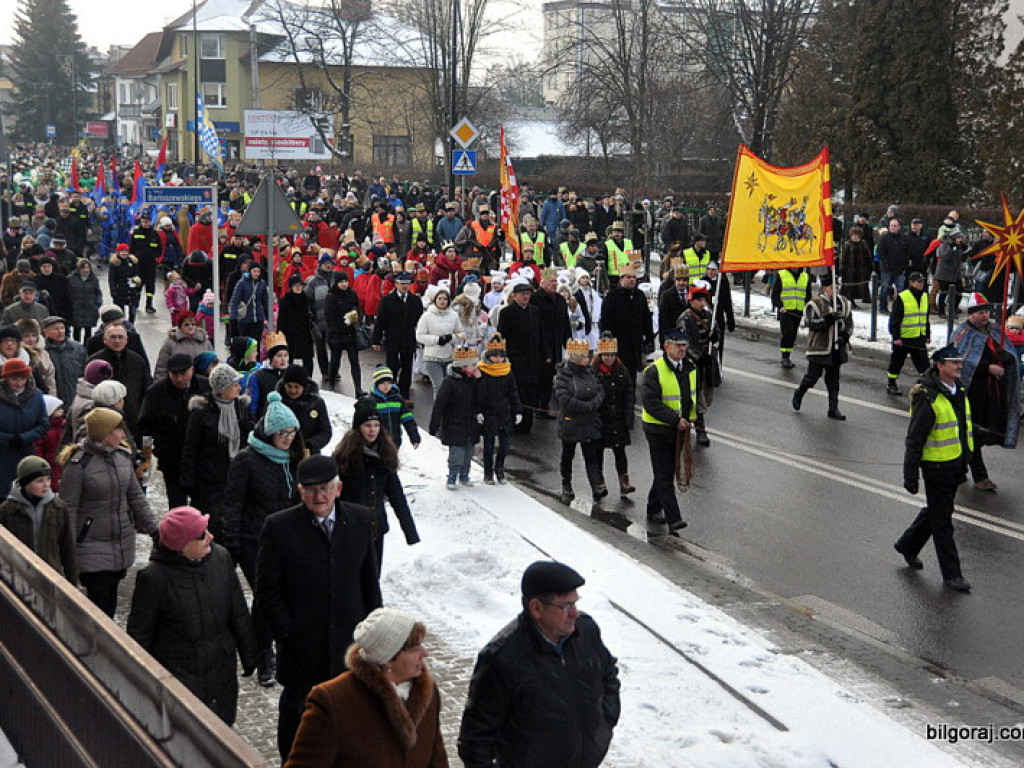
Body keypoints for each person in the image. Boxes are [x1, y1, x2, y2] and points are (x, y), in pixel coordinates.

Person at [256, 454, 382, 762]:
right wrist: (288, 632)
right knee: (300, 732)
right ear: (300, 492)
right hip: (303, 653)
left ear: (338, 488)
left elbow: (370, 584)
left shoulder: (361, 520)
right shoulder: (279, 527)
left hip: (349, 650)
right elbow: (267, 590)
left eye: (325, 488)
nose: (319, 496)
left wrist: (373, 638)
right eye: (311, 490)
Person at [458, 560, 620, 768]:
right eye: (566, 606)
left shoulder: (585, 631)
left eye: (575, 603)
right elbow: (475, 742)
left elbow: (608, 673)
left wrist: (605, 722)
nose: (574, 613)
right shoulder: (503, 658)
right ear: (536, 608)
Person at [127, 506, 259, 725]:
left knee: (223, 728)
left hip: (221, 669)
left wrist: (249, 654)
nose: (210, 537)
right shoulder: (154, 579)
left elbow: (237, 610)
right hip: (182, 675)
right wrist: (142, 682)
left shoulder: (221, 558)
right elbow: (140, 636)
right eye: (201, 535)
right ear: (181, 545)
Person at [285, 607, 448, 767]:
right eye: (414, 649)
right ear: (388, 658)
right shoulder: (332, 701)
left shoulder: (427, 692)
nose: (425, 653)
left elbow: (437, 761)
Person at [223, 391, 305, 687]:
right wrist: (232, 544)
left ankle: (277, 648)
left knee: (279, 595)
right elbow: (233, 503)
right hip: (252, 539)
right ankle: (263, 656)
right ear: (270, 433)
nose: (288, 438)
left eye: (292, 432)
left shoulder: (294, 459)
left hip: (285, 540)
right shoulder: (246, 460)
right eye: (283, 433)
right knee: (264, 596)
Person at [59, 408, 158, 616]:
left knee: (110, 601)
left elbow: (136, 497)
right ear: (104, 433)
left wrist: (155, 530)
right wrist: (68, 550)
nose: (122, 435)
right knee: (100, 603)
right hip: (90, 546)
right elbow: (68, 509)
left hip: (120, 542)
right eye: (117, 430)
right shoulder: (79, 464)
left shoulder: (122, 457)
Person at [894, 345, 974, 593]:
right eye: (954, 362)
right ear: (940, 365)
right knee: (943, 522)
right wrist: (910, 475)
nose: (959, 366)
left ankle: (908, 545)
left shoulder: (958, 389)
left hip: (955, 463)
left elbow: (961, 426)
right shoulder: (927, 396)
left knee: (938, 511)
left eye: (960, 361)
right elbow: (915, 438)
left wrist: (967, 457)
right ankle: (952, 575)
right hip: (936, 467)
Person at [333, 398, 419, 569]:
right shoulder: (344, 457)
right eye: (367, 425)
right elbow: (333, 495)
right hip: (351, 529)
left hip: (376, 528)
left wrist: (410, 532)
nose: (372, 430)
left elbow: (396, 495)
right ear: (358, 428)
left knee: (373, 575)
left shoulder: (385, 454)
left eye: (376, 425)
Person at [950, 293, 1020, 492]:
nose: (984, 316)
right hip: (972, 393)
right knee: (972, 433)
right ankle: (980, 476)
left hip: (993, 394)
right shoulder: (962, 333)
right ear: (971, 314)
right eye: (980, 313)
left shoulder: (995, 330)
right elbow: (959, 361)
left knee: (982, 433)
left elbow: (1011, 357)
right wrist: (987, 367)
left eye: (986, 312)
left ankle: (960, 467)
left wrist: (1006, 357)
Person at [180, 364, 255, 542]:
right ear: (222, 388)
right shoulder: (202, 412)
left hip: (237, 478)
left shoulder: (242, 408)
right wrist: (189, 482)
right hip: (209, 482)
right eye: (234, 384)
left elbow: (252, 439)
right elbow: (190, 448)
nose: (239, 387)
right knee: (212, 527)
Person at [640, 328, 695, 533]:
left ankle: (653, 507)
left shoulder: (689, 368)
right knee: (664, 475)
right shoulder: (654, 371)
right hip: (657, 429)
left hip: (679, 430)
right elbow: (651, 404)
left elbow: (690, 396)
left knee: (665, 471)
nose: (682, 349)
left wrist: (692, 416)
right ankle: (674, 519)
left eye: (684, 345)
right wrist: (675, 420)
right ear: (666, 346)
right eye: (677, 345)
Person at [138, 353, 210, 508]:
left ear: (192, 370)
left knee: (203, 506)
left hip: (202, 460)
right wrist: (159, 449)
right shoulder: (156, 393)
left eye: (183, 374)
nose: (179, 378)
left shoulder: (205, 387)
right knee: (177, 506)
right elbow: (145, 426)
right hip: (172, 461)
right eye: (174, 374)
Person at [0, 456, 77, 584]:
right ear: (25, 483)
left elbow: (67, 548)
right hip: (19, 578)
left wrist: (72, 582)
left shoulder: (58, 508)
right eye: (39, 481)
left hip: (51, 578)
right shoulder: (7, 510)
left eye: (48, 479)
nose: (46, 485)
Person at [791, 274, 853, 421]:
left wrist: (844, 336)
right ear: (824, 288)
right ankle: (799, 393)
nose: (835, 290)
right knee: (812, 377)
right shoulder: (815, 303)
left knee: (833, 381)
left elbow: (849, 323)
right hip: (819, 347)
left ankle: (833, 408)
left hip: (837, 347)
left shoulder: (844, 303)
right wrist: (829, 319)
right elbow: (811, 324)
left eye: (837, 287)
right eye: (832, 287)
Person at [554, 339, 606, 503]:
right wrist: (586, 406)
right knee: (568, 455)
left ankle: (596, 486)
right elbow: (564, 399)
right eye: (584, 356)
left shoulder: (590, 372)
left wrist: (594, 403)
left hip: (589, 421)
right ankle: (566, 484)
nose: (588, 359)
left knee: (591, 456)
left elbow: (600, 390)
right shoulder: (563, 376)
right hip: (571, 422)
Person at [428, 346, 481, 490]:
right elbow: (439, 405)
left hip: (470, 424)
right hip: (454, 424)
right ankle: (452, 476)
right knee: (457, 454)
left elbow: (481, 398)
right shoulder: (449, 382)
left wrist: (480, 382)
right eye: (473, 365)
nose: (476, 368)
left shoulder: (474, 381)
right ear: (463, 367)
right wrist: (434, 425)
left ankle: (464, 475)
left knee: (468, 454)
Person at [88, 322, 152, 439]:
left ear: (126, 340)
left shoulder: (137, 360)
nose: (117, 341)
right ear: (105, 340)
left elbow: (146, 389)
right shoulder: (95, 362)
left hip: (133, 420)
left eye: (120, 337)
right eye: (113, 337)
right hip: (106, 421)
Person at [496, 281, 543, 433]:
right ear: (515, 296)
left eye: (528, 294)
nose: (526, 297)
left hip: (533, 359)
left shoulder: (535, 311)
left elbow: (542, 334)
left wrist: (546, 354)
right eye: (523, 294)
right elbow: (501, 335)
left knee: (532, 392)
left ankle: (527, 423)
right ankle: (515, 422)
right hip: (516, 359)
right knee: (518, 391)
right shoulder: (507, 312)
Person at [593, 333, 636, 497]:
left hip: (618, 418)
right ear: (600, 355)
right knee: (598, 452)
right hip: (600, 419)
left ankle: (624, 482)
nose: (609, 358)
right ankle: (599, 481)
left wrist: (629, 417)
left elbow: (629, 394)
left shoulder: (622, 371)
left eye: (612, 355)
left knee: (620, 451)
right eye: (606, 355)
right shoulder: (594, 372)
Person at [0, 357, 49, 494]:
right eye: (14, 379)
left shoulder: (36, 395)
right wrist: (7, 439)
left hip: (26, 453)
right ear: (6, 379)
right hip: (2, 453)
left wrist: (24, 438)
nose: (19, 383)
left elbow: (43, 425)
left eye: (22, 378)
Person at [477, 335, 521, 485]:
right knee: (488, 447)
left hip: (504, 413)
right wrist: (478, 411)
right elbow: (478, 394)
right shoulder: (482, 371)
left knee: (505, 446)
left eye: (501, 356)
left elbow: (513, 392)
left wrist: (518, 410)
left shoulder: (507, 371)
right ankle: (488, 473)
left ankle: (500, 468)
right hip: (489, 413)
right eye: (495, 356)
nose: (498, 359)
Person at [599, 267, 653, 382]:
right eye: (629, 277)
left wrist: (649, 338)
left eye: (634, 277)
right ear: (621, 279)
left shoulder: (639, 296)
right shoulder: (612, 296)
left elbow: (646, 319)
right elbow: (605, 321)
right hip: (619, 343)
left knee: (632, 374)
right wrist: (607, 341)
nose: (632, 280)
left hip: (635, 343)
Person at [886, 272, 931, 395]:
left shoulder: (925, 297)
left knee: (924, 364)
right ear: (911, 282)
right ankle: (891, 383)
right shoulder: (902, 297)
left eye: (922, 281)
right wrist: (896, 337)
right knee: (897, 362)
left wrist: (927, 334)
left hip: (918, 336)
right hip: (903, 337)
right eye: (918, 282)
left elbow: (925, 318)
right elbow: (895, 319)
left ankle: (925, 384)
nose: (921, 284)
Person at [323, 270, 365, 396]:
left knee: (354, 361)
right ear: (336, 283)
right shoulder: (331, 296)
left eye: (345, 281)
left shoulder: (352, 293)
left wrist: (355, 315)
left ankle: (358, 388)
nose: (344, 284)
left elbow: (358, 309)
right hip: (336, 334)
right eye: (341, 282)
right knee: (335, 361)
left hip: (351, 333)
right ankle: (332, 385)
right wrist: (341, 322)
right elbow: (329, 317)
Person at [416, 285, 462, 396]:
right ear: (435, 300)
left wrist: (450, 338)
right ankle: (438, 407)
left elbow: (460, 334)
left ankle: (447, 407)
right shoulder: (427, 316)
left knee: (448, 388)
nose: (442, 301)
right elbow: (420, 336)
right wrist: (438, 339)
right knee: (439, 387)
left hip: (449, 357)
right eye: (439, 298)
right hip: (432, 357)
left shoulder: (454, 315)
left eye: (445, 299)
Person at [277, 364, 332, 455]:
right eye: (289, 386)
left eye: (297, 387)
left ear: (304, 387)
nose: (293, 391)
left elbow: (325, 431)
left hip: (308, 453)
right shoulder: (277, 402)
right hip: (281, 453)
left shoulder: (316, 403)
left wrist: (310, 444)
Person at [367, 365, 421, 449]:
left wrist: (414, 437)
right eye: (382, 383)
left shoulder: (397, 399)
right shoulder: (371, 401)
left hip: (395, 441)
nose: (386, 386)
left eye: (389, 383)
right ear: (377, 384)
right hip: (377, 442)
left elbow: (407, 419)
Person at [42, 315, 87, 409]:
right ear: (45, 332)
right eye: (56, 329)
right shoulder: (43, 351)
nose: (60, 331)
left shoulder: (77, 348)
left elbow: (85, 371)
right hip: (53, 399)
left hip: (75, 397)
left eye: (62, 328)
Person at [771, 267, 811, 369]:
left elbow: (808, 295)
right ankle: (784, 357)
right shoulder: (782, 274)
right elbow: (775, 294)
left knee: (793, 334)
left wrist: (807, 308)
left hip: (798, 311)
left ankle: (788, 356)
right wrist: (780, 306)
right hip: (785, 311)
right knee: (787, 333)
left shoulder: (805, 276)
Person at [153, 311, 213, 380]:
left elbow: (212, 364)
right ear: (180, 326)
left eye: (193, 324)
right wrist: (160, 383)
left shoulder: (205, 342)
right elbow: (162, 367)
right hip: (177, 381)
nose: (190, 327)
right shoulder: (170, 342)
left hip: (200, 382)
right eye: (186, 325)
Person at [278, 274, 316, 376]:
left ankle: (308, 380)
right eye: (296, 285)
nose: (298, 287)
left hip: (305, 334)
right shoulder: (285, 301)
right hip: (290, 334)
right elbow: (281, 320)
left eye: (300, 285)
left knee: (308, 359)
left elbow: (313, 313)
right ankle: (287, 378)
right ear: (291, 287)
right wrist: (281, 335)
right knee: (287, 358)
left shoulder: (307, 299)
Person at [249, 331, 290, 419]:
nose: (283, 359)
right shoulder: (258, 376)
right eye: (279, 356)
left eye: (286, 355)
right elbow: (253, 403)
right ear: (271, 358)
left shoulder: (291, 373)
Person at [230, 262, 270, 343]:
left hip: (258, 319)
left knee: (256, 343)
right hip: (245, 319)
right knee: (246, 344)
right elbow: (235, 301)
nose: (256, 274)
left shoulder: (262, 283)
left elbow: (265, 301)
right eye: (254, 271)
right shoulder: (242, 283)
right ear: (250, 271)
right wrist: (233, 317)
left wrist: (268, 317)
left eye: (258, 271)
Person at [66, 259, 102, 343]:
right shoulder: (71, 278)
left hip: (90, 308)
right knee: (76, 329)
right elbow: (67, 293)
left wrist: (97, 304)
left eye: (87, 267)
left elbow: (98, 292)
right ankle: (77, 345)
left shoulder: (94, 279)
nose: (85, 270)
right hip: (76, 308)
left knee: (88, 330)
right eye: (83, 268)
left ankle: (86, 346)